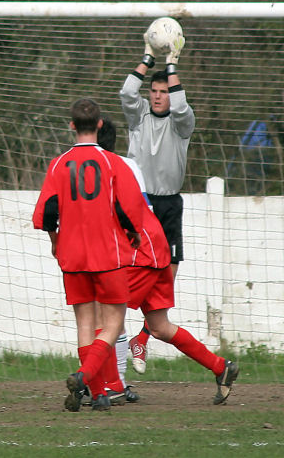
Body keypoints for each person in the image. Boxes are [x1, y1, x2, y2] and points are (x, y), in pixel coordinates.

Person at [97, 117, 239, 405]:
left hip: (141, 253)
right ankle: (221, 367)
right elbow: (144, 207)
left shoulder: (104, 170)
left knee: (106, 315)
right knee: (159, 326)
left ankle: (114, 385)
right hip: (157, 247)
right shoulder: (129, 165)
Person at [32, 98, 144, 412]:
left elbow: (47, 212)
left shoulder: (58, 164)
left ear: (71, 125)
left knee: (84, 323)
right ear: (98, 125)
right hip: (107, 254)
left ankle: (98, 395)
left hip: (72, 255)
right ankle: (85, 376)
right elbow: (128, 210)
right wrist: (133, 234)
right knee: (112, 324)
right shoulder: (112, 162)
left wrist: (55, 241)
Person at [119, 26, 195, 374]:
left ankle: (142, 340)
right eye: (155, 90)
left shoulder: (182, 124)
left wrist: (172, 61)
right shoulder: (138, 119)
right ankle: (117, 346)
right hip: (139, 205)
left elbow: (181, 105)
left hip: (169, 207)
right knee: (131, 279)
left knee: (167, 278)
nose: (158, 96)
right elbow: (126, 91)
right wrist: (148, 57)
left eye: (164, 91)